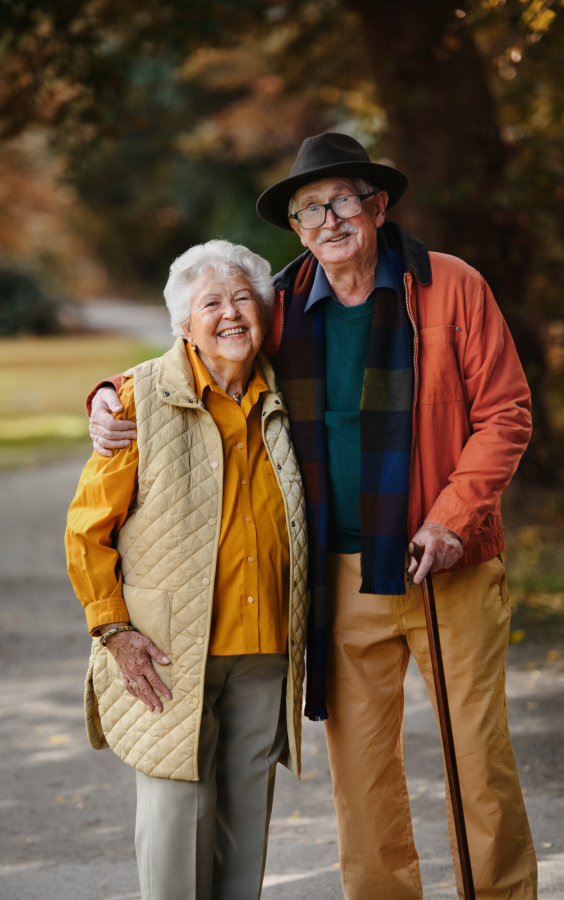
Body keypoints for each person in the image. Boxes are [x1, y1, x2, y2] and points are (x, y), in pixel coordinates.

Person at [87, 134, 538, 899]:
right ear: (296, 230)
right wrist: (106, 397)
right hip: (342, 577)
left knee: (477, 764)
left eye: (343, 202)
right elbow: (201, 353)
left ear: (377, 206)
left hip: (448, 566)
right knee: (360, 775)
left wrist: (452, 518)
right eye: (309, 210)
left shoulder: (453, 286)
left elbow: (506, 414)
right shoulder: (284, 305)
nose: (329, 221)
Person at [66, 239, 309, 900]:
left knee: (244, 830)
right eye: (211, 303)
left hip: (264, 650)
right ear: (183, 324)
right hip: (169, 651)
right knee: (176, 823)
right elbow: (87, 530)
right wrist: (113, 629)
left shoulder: (288, 395)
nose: (230, 314)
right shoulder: (137, 399)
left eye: (242, 299)